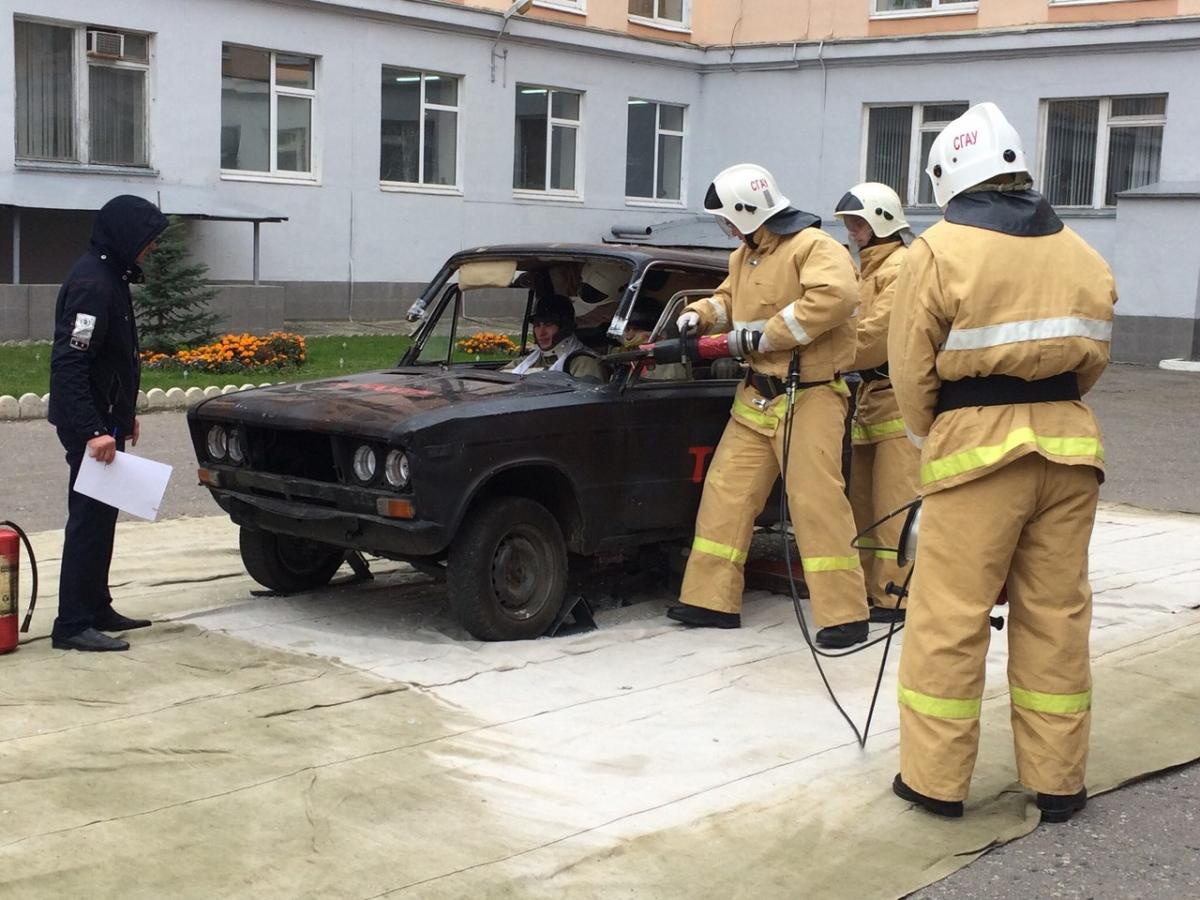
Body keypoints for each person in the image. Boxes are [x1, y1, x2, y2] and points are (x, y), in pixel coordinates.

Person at [887, 102, 1116, 822]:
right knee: (1056, 616)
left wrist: (940, 435)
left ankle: (935, 782)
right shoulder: (1083, 251)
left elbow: (910, 370)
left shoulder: (937, 249)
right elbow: (1093, 362)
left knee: (949, 619)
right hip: (1071, 448)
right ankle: (1058, 783)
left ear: (950, 176)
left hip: (978, 454)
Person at [665, 163, 870, 649]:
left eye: (727, 218)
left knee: (816, 505)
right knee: (725, 496)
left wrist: (765, 335)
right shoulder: (746, 255)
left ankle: (845, 614)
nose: (726, 228)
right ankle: (708, 600)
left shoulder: (814, 248)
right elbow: (727, 298)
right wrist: (700, 314)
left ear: (747, 210)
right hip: (756, 395)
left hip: (811, 395)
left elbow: (836, 298)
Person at [48, 194, 169, 652]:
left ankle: (96, 606)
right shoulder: (92, 286)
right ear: (125, 235)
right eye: (148, 240)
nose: (152, 248)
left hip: (106, 419)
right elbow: (70, 365)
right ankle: (73, 624)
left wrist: (124, 415)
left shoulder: (110, 277)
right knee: (88, 519)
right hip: (89, 425)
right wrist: (93, 430)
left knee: (103, 515)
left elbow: (113, 360)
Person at [832, 182, 920, 624]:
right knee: (863, 505)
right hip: (869, 397)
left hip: (897, 400)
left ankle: (895, 595)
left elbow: (872, 338)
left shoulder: (901, 267)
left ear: (883, 222)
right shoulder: (866, 270)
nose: (852, 231)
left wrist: (816, 350)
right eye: (849, 223)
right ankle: (871, 590)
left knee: (895, 506)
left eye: (859, 223)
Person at [508, 294, 604, 382]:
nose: (541, 333)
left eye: (548, 324)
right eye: (537, 325)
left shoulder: (584, 363)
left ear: (565, 327)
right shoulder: (527, 362)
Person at [612, 301, 686, 381]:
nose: (629, 336)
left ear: (659, 334)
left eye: (636, 329)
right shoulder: (624, 365)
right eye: (627, 329)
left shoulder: (670, 368)